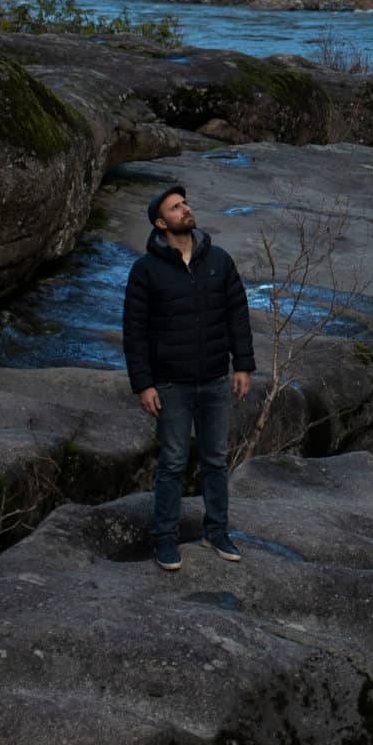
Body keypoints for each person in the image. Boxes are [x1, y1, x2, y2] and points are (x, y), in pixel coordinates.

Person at [123, 184, 254, 571]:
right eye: (176, 208)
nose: (186, 209)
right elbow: (135, 331)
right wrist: (143, 383)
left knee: (215, 459)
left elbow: (238, 314)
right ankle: (164, 539)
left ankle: (217, 530)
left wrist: (242, 365)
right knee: (173, 462)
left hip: (214, 378)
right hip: (170, 384)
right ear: (162, 223)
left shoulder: (218, 260)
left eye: (185, 204)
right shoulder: (145, 270)